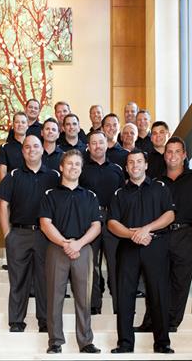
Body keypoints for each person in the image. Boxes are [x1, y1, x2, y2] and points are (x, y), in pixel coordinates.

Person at [136, 137, 192, 333]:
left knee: (180, 282)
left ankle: (170, 323)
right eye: (169, 151)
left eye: (178, 151)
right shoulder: (156, 181)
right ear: (164, 155)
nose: (173, 156)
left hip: (186, 235)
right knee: (155, 280)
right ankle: (150, 322)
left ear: (184, 155)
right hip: (159, 236)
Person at [108, 149, 176, 354]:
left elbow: (170, 215)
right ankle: (125, 343)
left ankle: (162, 343)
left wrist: (146, 229)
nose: (135, 165)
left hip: (155, 245)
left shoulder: (159, 187)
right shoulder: (119, 193)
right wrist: (133, 235)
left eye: (139, 161)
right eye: (131, 162)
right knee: (125, 295)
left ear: (146, 165)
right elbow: (112, 223)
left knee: (158, 294)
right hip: (128, 247)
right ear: (126, 167)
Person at [40, 150, 102, 354]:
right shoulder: (50, 195)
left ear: (81, 169)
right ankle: (55, 341)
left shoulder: (90, 196)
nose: (73, 167)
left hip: (83, 249)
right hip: (57, 248)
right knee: (54, 296)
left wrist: (78, 244)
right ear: (61, 167)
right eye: (69, 163)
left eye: (77, 164)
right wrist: (64, 243)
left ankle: (85, 341)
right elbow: (45, 223)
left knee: (84, 297)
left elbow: (96, 226)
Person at [0, 135, 59, 333]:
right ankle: (16, 321)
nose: (32, 150)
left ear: (42, 149)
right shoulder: (13, 175)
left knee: (45, 280)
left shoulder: (54, 176)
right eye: (28, 147)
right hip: (19, 234)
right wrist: (7, 234)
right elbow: (2, 204)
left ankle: (45, 321)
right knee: (18, 279)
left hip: (46, 236)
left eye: (36, 146)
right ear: (23, 151)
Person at [80, 131, 125, 315]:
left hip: (112, 219)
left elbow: (123, 196)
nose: (97, 146)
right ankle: (93, 303)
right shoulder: (82, 168)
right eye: (94, 143)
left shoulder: (117, 169)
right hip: (89, 220)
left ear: (107, 144)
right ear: (88, 146)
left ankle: (119, 305)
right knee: (90, 263)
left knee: (115, 262)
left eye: (101, 142)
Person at [0, 112, 27, 180]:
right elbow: (3, 175)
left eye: (23, 122)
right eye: (17, 122)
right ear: (13, 125)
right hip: (12, 185)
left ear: (27, 126)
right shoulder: (4, 148)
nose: (20, 124)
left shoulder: (33, 146)